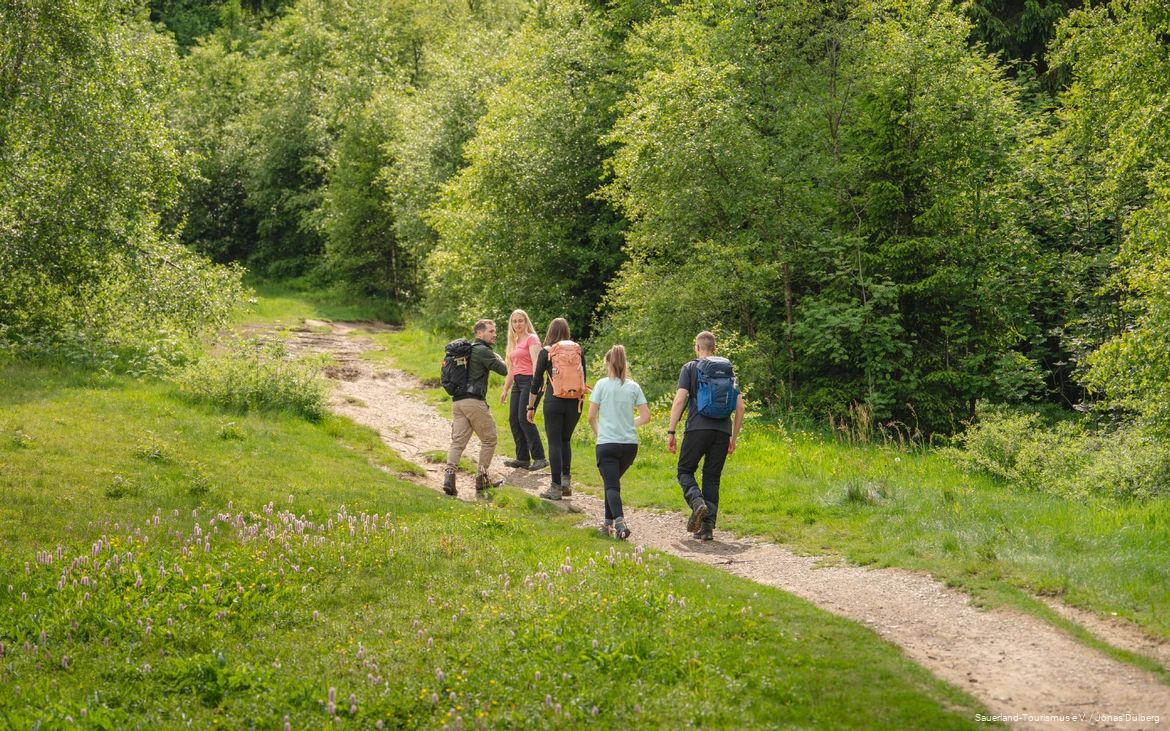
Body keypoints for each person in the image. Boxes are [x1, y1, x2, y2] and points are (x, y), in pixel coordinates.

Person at [666, 331, 746, 540]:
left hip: (697, 428)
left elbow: (679, 401)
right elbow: (740, 407)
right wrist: (733, 437)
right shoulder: (728, 371)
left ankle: (697, 502)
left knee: (685, 470)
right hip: (722, 431)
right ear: (715, 350)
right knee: (712, 477)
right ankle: (707, 527)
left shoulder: (690, 367)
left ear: (697, 347)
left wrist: (671, 431)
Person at [588, 345, 650, 540]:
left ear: (608, 364)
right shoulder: (634, 386)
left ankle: (620, 522)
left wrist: (601, 434)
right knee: (611, 483)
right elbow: (646, 417)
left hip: (607, 443)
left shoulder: (601, 385)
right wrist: (627, 425)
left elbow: (591, 417)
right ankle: (607, 524)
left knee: (612, 485)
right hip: (629, 445)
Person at [444, 319, 508, 496]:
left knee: (458, 442)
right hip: (474, 402)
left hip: (458, 403)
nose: (494, 334)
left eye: (495, 331)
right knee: (489, 439)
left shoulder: (466, 351)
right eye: (491, 331)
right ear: (479, 333)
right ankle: (482, 478)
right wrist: (499, 358)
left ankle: (449, 477)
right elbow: (503, 370)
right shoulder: (483, 350)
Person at [527, 318, 587, 500]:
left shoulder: (546, 353)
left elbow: (536, 381)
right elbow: (584, 377)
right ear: (567, 332)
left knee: (554, 443)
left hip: (554, 401)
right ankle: (566, 483)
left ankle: (555, 488)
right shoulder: (578, 350)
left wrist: (531, 406)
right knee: (565, 441)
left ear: (550, 332)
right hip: (575, 401)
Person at [499, 310, 548, 471]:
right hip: (518, 383)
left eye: (520, 321)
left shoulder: (532, 339)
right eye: (514, 321)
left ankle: (540, 457)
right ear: (511, 324)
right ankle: (522, 458)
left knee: (524, 418)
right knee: (514, 419)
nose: (517, 324)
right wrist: (505, 389)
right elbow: (512, 368)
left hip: (530, 381)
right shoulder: (514, 340)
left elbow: (536, 364)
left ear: (526, 322)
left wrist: (537, 383)